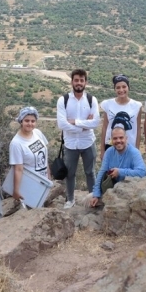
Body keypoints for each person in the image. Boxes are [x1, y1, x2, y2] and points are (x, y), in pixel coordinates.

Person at [56, 69, 100, 209]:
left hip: (88, 142)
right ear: (72, 82)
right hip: (70, 144)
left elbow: (95, 123)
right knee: (70, 174)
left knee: (90, 172)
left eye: (81, 80)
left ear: (85, 82)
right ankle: (70, 200)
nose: (79, 83)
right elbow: (62, 124)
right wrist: (84, 126)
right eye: (76, 80)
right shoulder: (63, 100)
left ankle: (93, 199)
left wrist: (75, 122)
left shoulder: (91, 100)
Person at [88, 126, 146, 207]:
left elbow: (142, 172)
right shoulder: (109, 152)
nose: (118, 141)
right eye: (115, 138)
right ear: (112, 140)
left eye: (121, 138)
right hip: (112, 190)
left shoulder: (134, 152)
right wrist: (96, 194)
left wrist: (120, 172)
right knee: (88, 200)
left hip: (130, 191)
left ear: (126, 138)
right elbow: (101, 172)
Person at [9, 107, 50, 202]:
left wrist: (48, 177)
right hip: (30, 183)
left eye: (33, 121)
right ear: (21, 121)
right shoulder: (16, 143)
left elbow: (45, 157)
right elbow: (18, 169)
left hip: (43, 181)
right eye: (27, 121)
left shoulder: (37, 133)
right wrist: (16, 190)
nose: (30, 124)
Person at [99, 74, 143, 161]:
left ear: (128, 87)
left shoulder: (137, 106)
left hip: (130, 146)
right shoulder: (107, 104)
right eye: (118, 87)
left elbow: (138, 129)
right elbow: (105, 127)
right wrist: (102, 150)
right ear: (114, 89)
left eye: (124, 87)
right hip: (111, 145)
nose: (121, 90)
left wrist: (137, 149)